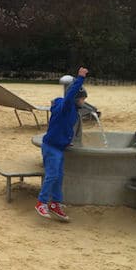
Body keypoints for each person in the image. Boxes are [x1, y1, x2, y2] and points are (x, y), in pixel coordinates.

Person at [35, 67, 89, 221]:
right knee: (52, 175)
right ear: (75, 98)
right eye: (82, 98)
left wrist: (67, 142)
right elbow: (70, 94)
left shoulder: (71, 110)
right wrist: (80, 78)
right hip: (51, 147)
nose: (83, 102)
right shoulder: (66, 107)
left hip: (59, 146)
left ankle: (55, 204)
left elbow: (65, 128)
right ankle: (41, 202)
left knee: (59, 176)